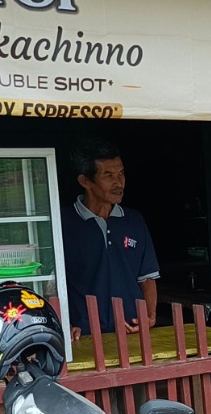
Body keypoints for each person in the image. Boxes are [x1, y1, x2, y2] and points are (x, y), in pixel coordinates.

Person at [61, 143, 159, 338]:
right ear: (85, 181)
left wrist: (149, 316)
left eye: (121, 174)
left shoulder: (134, 221)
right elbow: (50, 284)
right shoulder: (64, 223)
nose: (119, 183)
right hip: (84, 334)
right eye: (109, 176)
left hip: (131, 330)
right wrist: (64, 323)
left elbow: (147, 276)